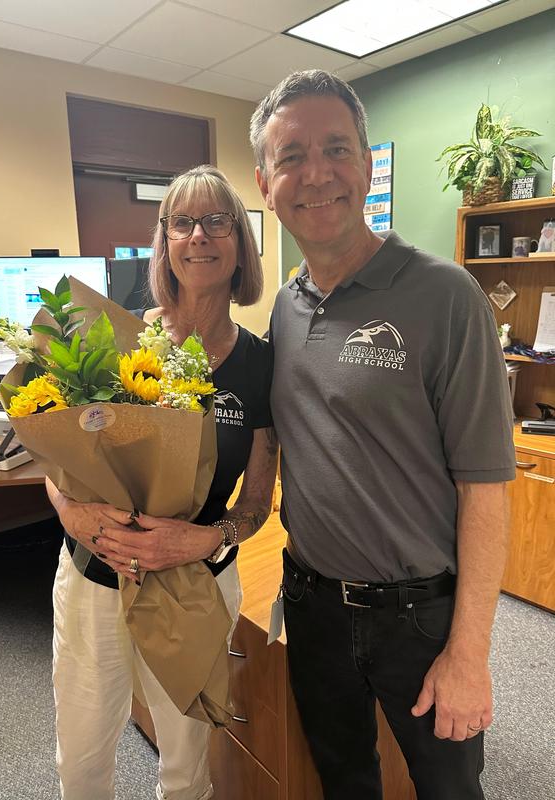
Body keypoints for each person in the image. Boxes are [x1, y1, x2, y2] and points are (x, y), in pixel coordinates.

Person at [250, 70, 515, 800]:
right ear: (265, 184)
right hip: (312, 608)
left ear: (367, 165)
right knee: (345, 783)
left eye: (336, 149)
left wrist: (470, 653)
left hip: (419, 618)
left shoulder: (446, 296)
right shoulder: (285, 308)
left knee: (449, 790)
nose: (316, 174)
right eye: (291, 156)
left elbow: (486, 491)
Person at [46, 164, 278, 800]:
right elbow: (58, 457)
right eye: (183, 222)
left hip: (196, 588)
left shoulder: (261, 363)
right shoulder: (114, 339)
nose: (199, 235)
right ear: (165, 241)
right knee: (82, 760)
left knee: (186, 767)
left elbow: (258, 502)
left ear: (241, 244)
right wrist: (71, 514)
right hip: (96, 578)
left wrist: (205, 539)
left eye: (217, 221)